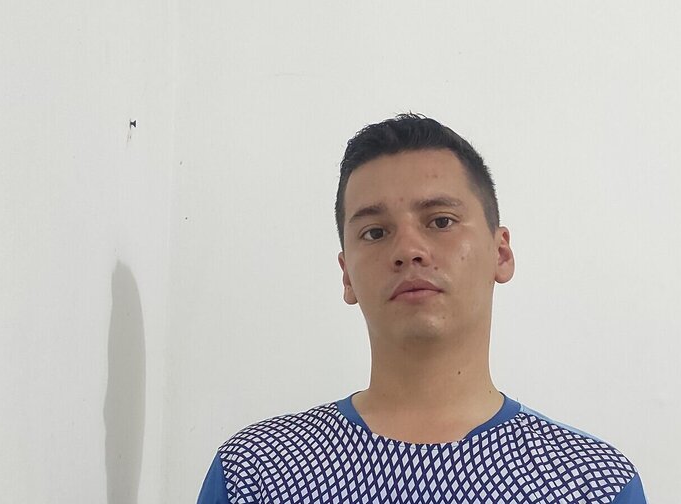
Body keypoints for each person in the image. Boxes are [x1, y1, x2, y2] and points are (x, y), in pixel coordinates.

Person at [197, 113, 648, 503]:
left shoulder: (593, 485)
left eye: (440, 221)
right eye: (375, 232)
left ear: (501, 253)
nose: (409, 250)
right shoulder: (255, 475)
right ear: (347, 274)